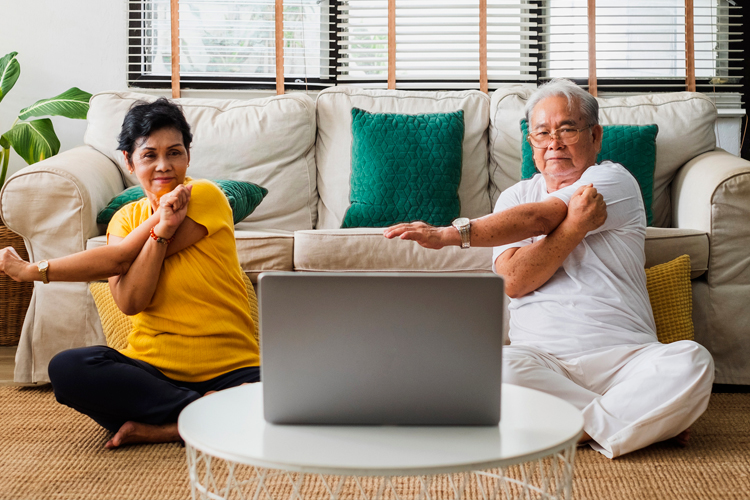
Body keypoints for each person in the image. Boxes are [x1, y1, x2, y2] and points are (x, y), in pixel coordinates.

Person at [384, 79, 714, 458]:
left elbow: (543, 217)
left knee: (692, 361)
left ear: (595, 136)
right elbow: (513, 280)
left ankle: (570, 426)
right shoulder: (515, 199)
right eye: (542, 132)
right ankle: (639, 420)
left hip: (627, 359)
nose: (554, 142)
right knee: (490, 369)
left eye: (567, 129)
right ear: (531, 144)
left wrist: (449, 234)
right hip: (542, 362)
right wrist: (576, 227)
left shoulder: (613, 180)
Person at [0, 98, 260, 449]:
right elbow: (131, 301)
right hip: (154, 373)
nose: (164, 166)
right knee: (68, 369)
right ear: (129, 161)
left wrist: (32, 270)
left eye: (175, 152)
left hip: (233, 369)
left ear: (188, 155)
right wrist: (162, 230)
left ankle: (170, 427)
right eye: (149, 155)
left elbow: (121, 258)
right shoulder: (124, 219)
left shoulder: (206, 195)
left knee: (302, 398)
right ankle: (208, 414)